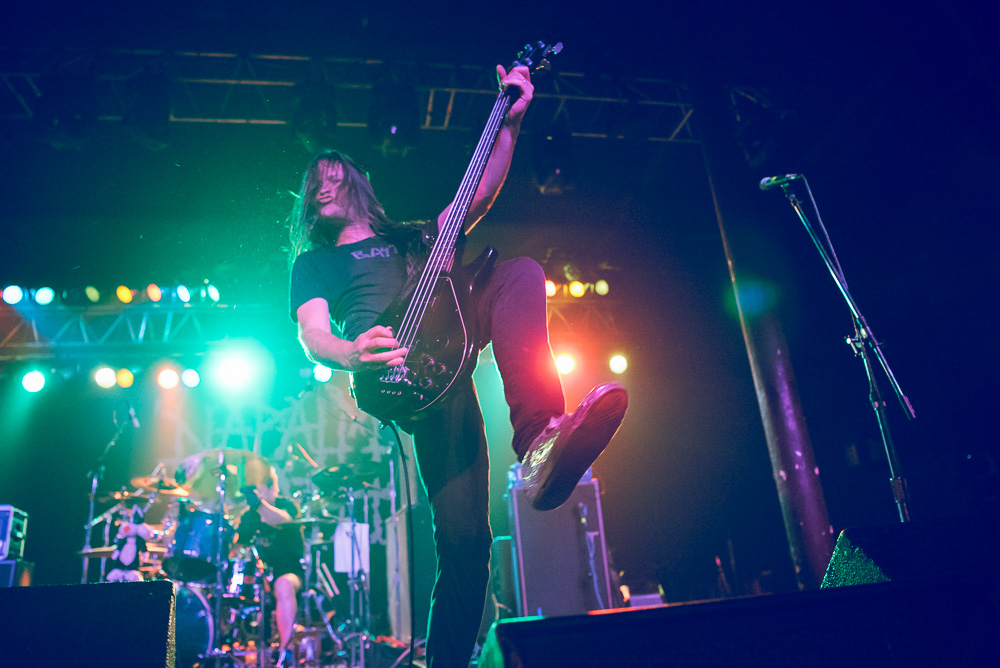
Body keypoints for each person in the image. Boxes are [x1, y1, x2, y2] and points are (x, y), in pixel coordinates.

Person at [288, 64, 628, 668]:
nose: (324, 185)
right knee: (464, 543)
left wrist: (512, 122)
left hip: (452, 357)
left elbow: (477, 192)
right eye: (316, 181)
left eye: (335, 178)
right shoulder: (315, 265)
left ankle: (540, 441)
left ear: (359, 186)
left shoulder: (417, 237)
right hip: (398, 375)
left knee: (521, 272)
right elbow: (313, 335)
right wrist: (350, 354)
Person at [234, 468, 305, 667]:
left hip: (290, 573)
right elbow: (239, 547)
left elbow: (283, 520)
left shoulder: (288, 506)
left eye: (261, 489)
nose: (257, 494)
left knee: (283, 584)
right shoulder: (248, 516)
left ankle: (286, 653)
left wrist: (259, 504)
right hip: (258, 577)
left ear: (273, 487)